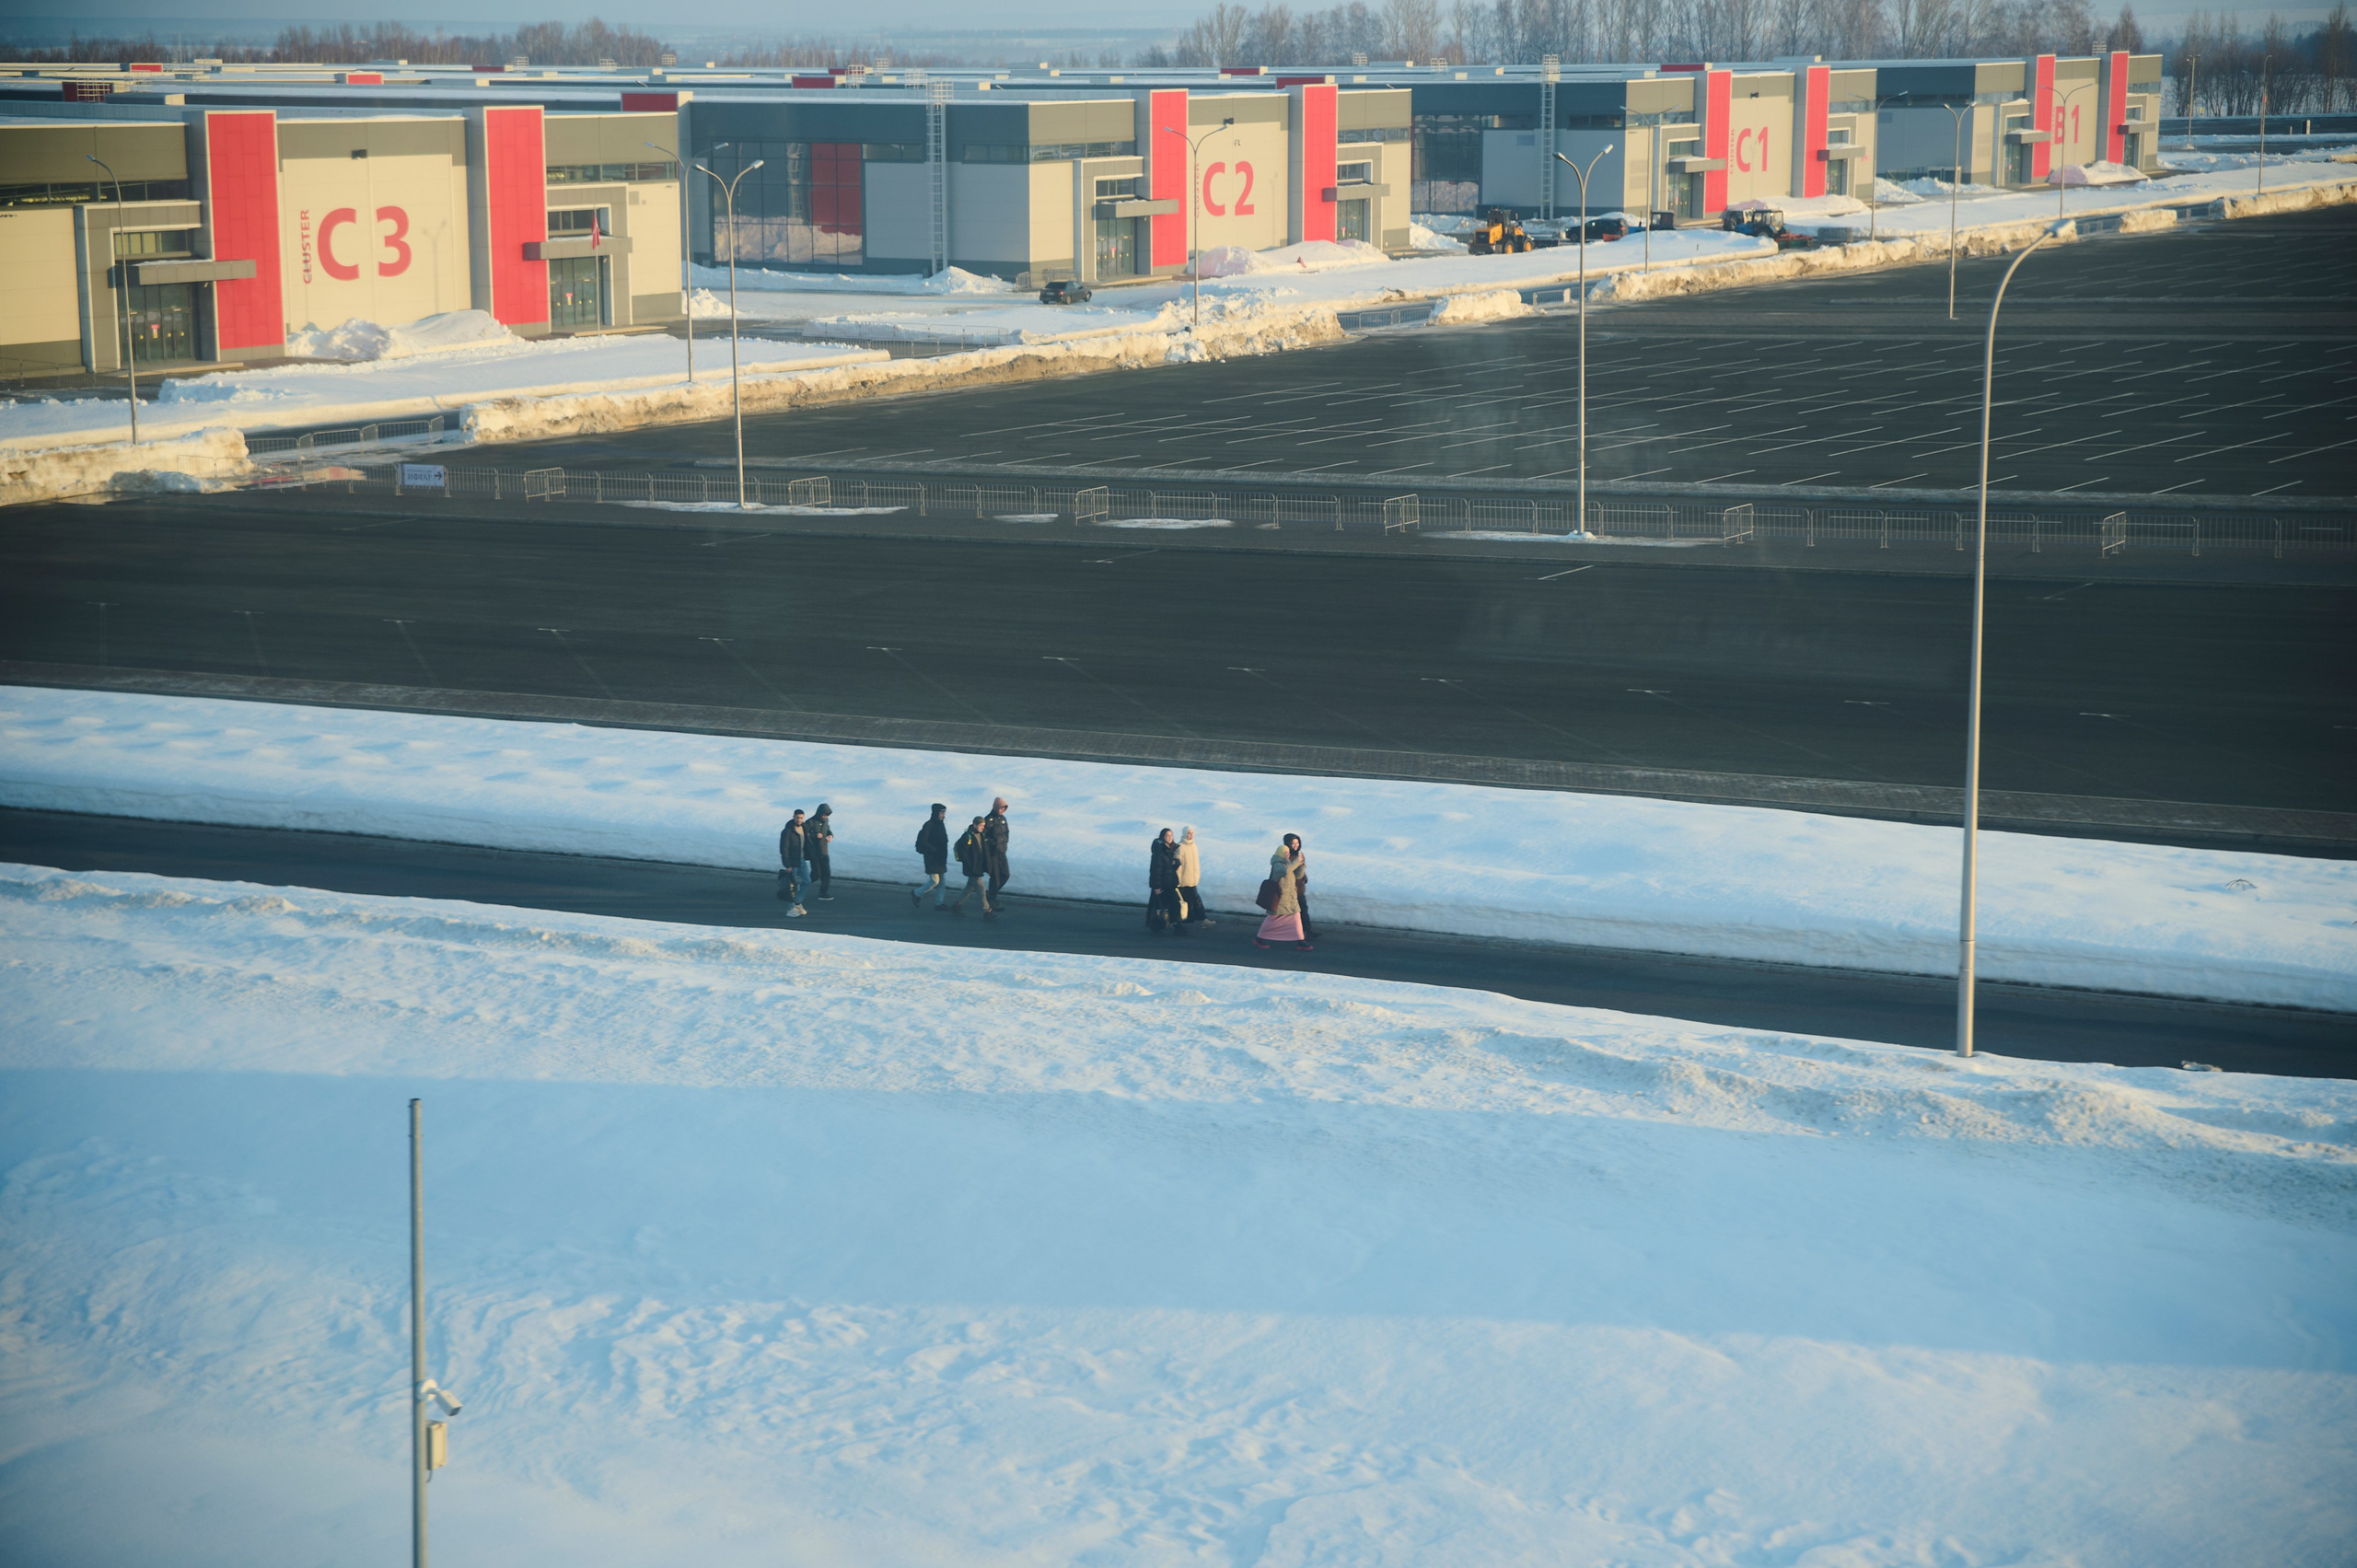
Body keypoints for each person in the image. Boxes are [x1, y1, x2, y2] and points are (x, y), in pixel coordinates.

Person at [1254, 837, 1313, 950]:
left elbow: (1298, 876)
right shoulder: (1278, 865)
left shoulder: (1288, 864)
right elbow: (1285, 871)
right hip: (1280, 899)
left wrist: (1302, 864)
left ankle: (1301, 941)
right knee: (1272, 919)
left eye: (1288, 852)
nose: (1287, 854)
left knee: (1296, 918)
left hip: (1290, 899)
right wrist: (1297, 861)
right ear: (1280, 853)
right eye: (1285, 853)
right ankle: (1259, 938)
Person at [950, 815, 993, 915]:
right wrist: (970, 864)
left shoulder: (982, 835)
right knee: (981, 889)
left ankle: (956, 905)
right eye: (981, 825)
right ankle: (987, 911)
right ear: (975, 825)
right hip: (972, 868)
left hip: (977, 867)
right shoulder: (967, 836)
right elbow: (962, 853)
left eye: (984, 825)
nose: (983, 827)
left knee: (970, 887)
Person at [1146, 828, 1186, 935]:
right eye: (1167, 836)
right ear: (1162, 837)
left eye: (1171, 835)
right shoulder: (1159, 852)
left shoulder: (1170, 850)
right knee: (1161, 906)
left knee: (1173, 905)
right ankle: (1161, 926)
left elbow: (1169, 868)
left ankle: (1175, 925)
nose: (1170, 838)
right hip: (1162, 885)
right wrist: (1156, 886)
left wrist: (1176, 863)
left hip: (1170, 883)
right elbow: (1156, 870)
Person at [911, 803, 951, 907]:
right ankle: (916, 893)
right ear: (935, 813)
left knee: (942, 882)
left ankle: (939, 903)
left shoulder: (941, 824)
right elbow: (924, 841)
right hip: (932, 858)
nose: (943, 815)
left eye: (944, 812)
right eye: (941, 813)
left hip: (941, 858)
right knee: (935, 881)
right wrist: (933, 850)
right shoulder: (929, 825)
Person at [980, 796, 1012, 916]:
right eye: (1001, 808)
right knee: (995, 877)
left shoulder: (1003, 819)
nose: (1002, 810)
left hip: (1002, 852)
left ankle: (991, 895)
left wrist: (1004, 844)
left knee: (1006, 875)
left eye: (1004, 808)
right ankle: (992, 899)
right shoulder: (988, 820)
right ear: (996, 807)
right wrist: (992, 844)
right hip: (993, 854)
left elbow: (1006, 833)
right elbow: (984, 837)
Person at [776, 808, 810, 919]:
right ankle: (791, 908)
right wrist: (787, 865)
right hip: (792, 862)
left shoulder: (804, 828)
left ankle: (797, 901)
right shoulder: (787, 831)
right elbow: (784, 849)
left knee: (807, 881)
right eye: (797, 818)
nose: (799, 820)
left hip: (801, 859)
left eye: (801, 818)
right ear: (793, 817)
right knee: (791, 886)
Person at [1177, 826, 1213, 926]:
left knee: (1194, 901)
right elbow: (1178, 867)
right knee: (1194, 901)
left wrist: (1197, 876)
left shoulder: (1193, 846)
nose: (1191, 835)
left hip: (1192, 880)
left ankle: (1198, 919)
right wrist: (1178, 881)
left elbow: (1196, 864)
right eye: (1189, 833)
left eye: (1192, 833)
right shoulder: (1180, 847)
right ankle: (1202, 920)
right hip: (1183, 882)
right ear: (1184, 834)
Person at [1284, 832, 1315, 942]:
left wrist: (1304, 879)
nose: (1295, 845)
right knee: (1294, 914)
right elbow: (1297, 874)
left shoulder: (1299, 855)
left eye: (1297, 842)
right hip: (1291, 891)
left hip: (1299, 890)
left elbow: (1301, 873)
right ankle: (1299, 936)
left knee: (1303, 911)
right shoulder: (1287, 857)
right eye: (1292, 843)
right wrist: (1301, 866)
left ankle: (1308, 931)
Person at [807, 803, 836, 900]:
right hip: (814, 853)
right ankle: (802, 884)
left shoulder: (826, 821)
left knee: (827, 873)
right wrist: (815, 835)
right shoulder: (810, 822)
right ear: (819, 813)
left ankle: (823, 893)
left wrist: (830, 835)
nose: (825, 817)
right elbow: (804, 835)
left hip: (824, 851)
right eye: (824, 814)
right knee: (816, 874)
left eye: (827, 815)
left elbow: (827, 830)